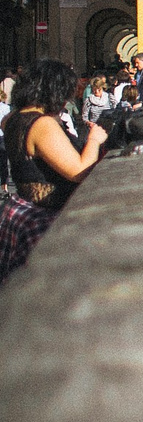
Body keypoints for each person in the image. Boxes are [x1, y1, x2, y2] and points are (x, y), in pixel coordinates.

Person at [1, 60, 105, 281]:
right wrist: (95, 140)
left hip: (22, 211)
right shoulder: (42, 124)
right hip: (45, 217)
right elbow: (79, 171)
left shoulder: (12, 119)